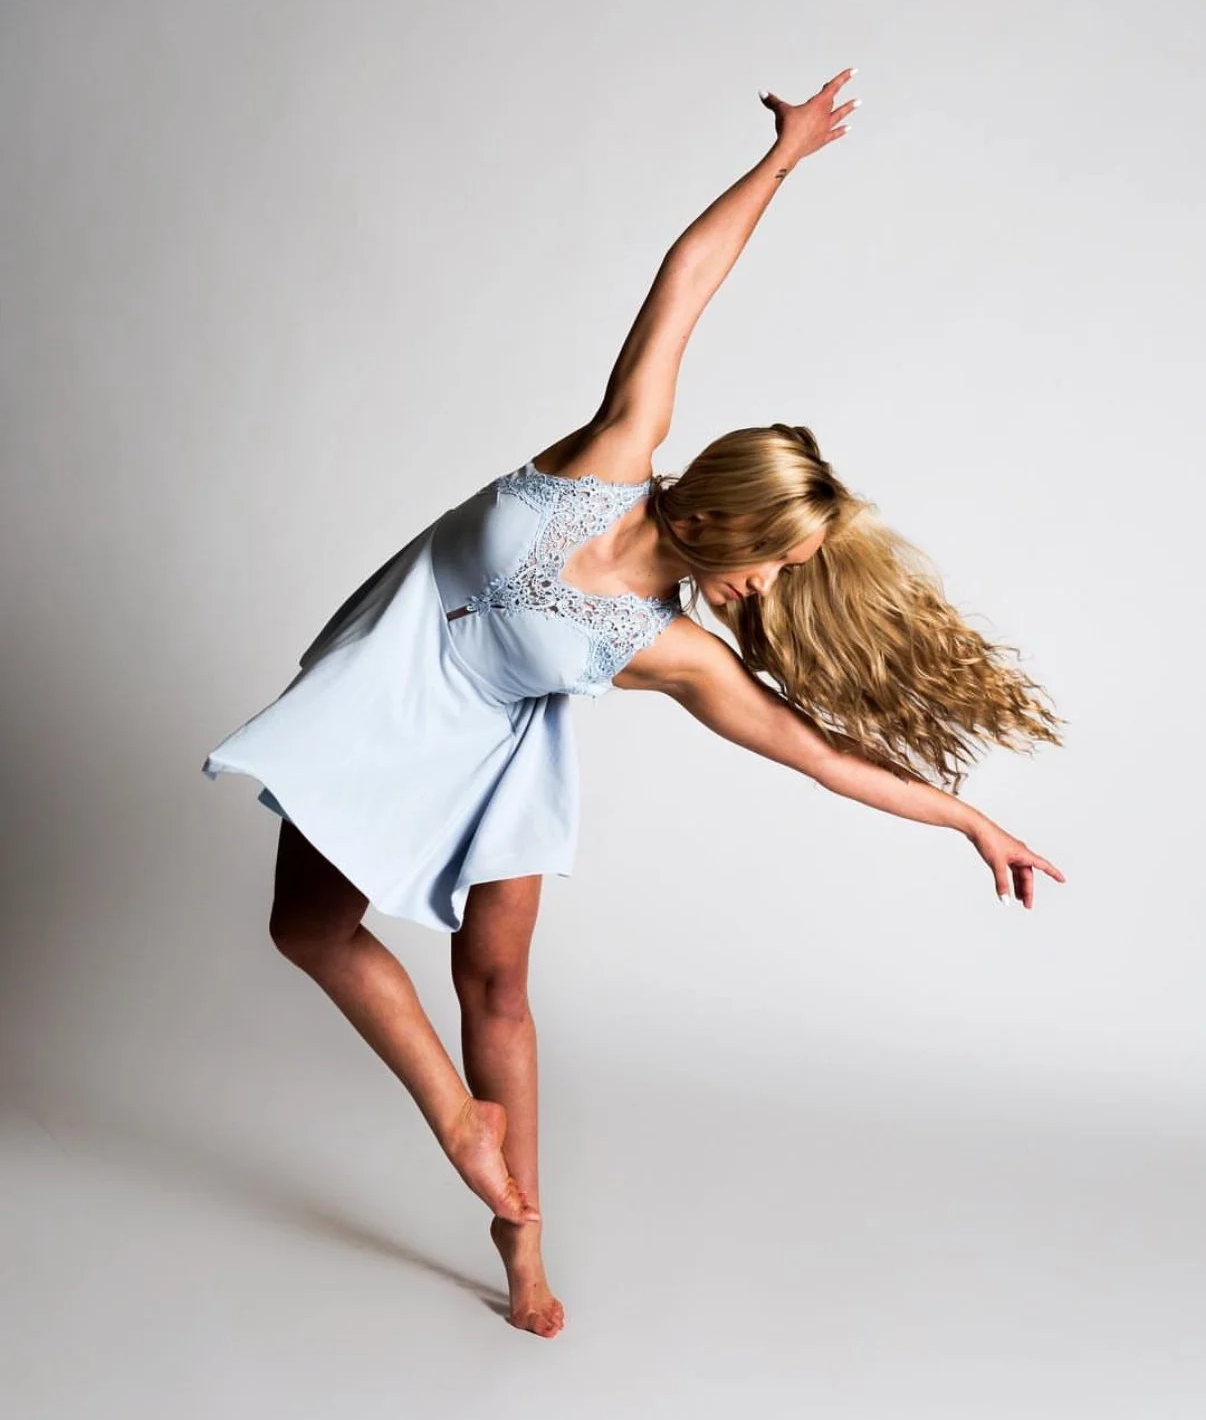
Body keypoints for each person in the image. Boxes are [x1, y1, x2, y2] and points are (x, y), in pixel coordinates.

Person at [201, 68, 1066, 1339]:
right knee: (307, 927)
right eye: (775, 560)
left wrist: (966, 821)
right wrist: (782, 162)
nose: (772, 588)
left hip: (495, 755)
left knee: (496, 989)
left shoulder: (681, 652)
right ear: (729, 521)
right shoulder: (609, 458)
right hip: (386, 695)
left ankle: (523, 1250)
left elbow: (817, 754)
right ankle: (458, 1114)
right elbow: (687, 279)